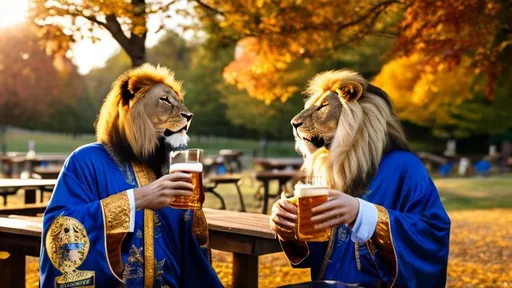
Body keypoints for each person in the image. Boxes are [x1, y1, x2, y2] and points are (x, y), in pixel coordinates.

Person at [39, 64, 222, 287]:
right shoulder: (86, 160)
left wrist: (194, 217)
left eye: (179, 101)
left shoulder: (170, 168)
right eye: (166, 101)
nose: (185, 111)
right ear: (130, 105)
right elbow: (59, 230)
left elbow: (191, 254)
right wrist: (136, 200)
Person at [270, 70, 451, 287]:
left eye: (320, 108)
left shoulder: (405, 167)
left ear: (356, 114)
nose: (297, 120)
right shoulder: (332, 170)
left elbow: (433, 235)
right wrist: (291, 228)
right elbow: (325, 248)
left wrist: (365, 215)